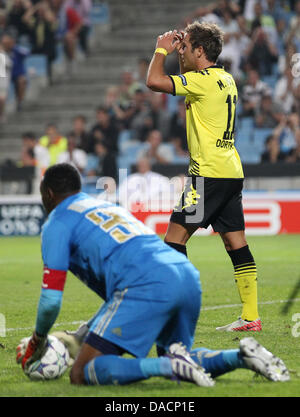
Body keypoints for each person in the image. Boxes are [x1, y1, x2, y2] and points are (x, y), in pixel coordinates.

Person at [16, 163, 289, 386]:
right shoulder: (104, 207)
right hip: (184, 275)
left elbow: (51, 301)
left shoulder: (57, 223)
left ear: (48, 194)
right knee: (179, 353)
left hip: (146, 286)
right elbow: (116, 297)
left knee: (81, 372)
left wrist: (37, 342)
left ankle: (168, 365)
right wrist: (83, 333)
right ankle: (241, 357)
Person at [146, 22, 261, 332]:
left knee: (174, 239)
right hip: (231, 171)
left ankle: (175, 311)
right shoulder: (226, 79)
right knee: (236, 242)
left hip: (207, 174)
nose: (179, 51)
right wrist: (179, 49)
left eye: (185, 47)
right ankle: (251, 317)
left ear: (200, 51)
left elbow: (153, 81)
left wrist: (161, 48)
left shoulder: (200, 80)